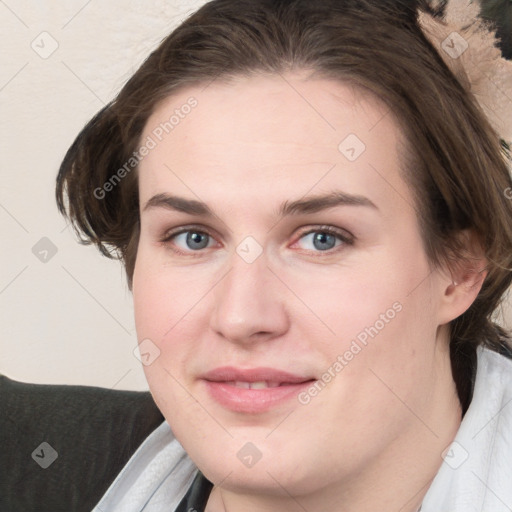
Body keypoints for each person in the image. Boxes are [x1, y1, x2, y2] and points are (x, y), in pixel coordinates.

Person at [3, 0, 512, 511]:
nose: (241, 316)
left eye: (322, 238)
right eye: (193, 237)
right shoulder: (28, 467)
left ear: (459, 269)